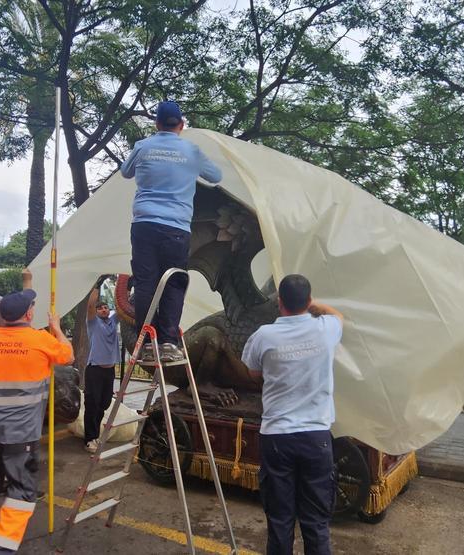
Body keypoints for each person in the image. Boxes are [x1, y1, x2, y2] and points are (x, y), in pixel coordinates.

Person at [0, 270, 73, 554]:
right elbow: (68, 355)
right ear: (28, 315)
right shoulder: (41, 341)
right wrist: (57, 327)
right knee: (21, 489)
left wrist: (26, 285)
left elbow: (12, 344)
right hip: (20, 433)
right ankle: (1, 550)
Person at [240, 275, 344, 555]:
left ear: (279, 301)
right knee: (316, 524)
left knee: (280, 522)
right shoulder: (326, 329)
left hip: (277, 439)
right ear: (309, 301)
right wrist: (314, 305)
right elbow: (339, 316)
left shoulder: (263, 335)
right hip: (316, 438)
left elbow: (252, 372)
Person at [120, 100, 222, 363]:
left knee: (146, 283)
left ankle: (145, 342)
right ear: (181, 125)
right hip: (176, 227)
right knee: (174, 282)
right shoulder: (191, 151)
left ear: (156, 124)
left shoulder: (143, 147)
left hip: (143, 226)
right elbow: (216, 176)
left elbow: (125, 172)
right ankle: (167, 342)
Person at [83, 280, 119, 454]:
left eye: (105, 307)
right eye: (100, 308)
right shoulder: (93, 323)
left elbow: (123, 306)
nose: (104, 309)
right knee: (92, 403)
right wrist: (97, 285)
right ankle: (90, 439)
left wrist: (124, 284)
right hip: (94, 370)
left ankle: (95, 434)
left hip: (109, 371)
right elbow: (90, 306)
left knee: (104, 403)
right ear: (96, 312)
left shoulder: (113, 321)